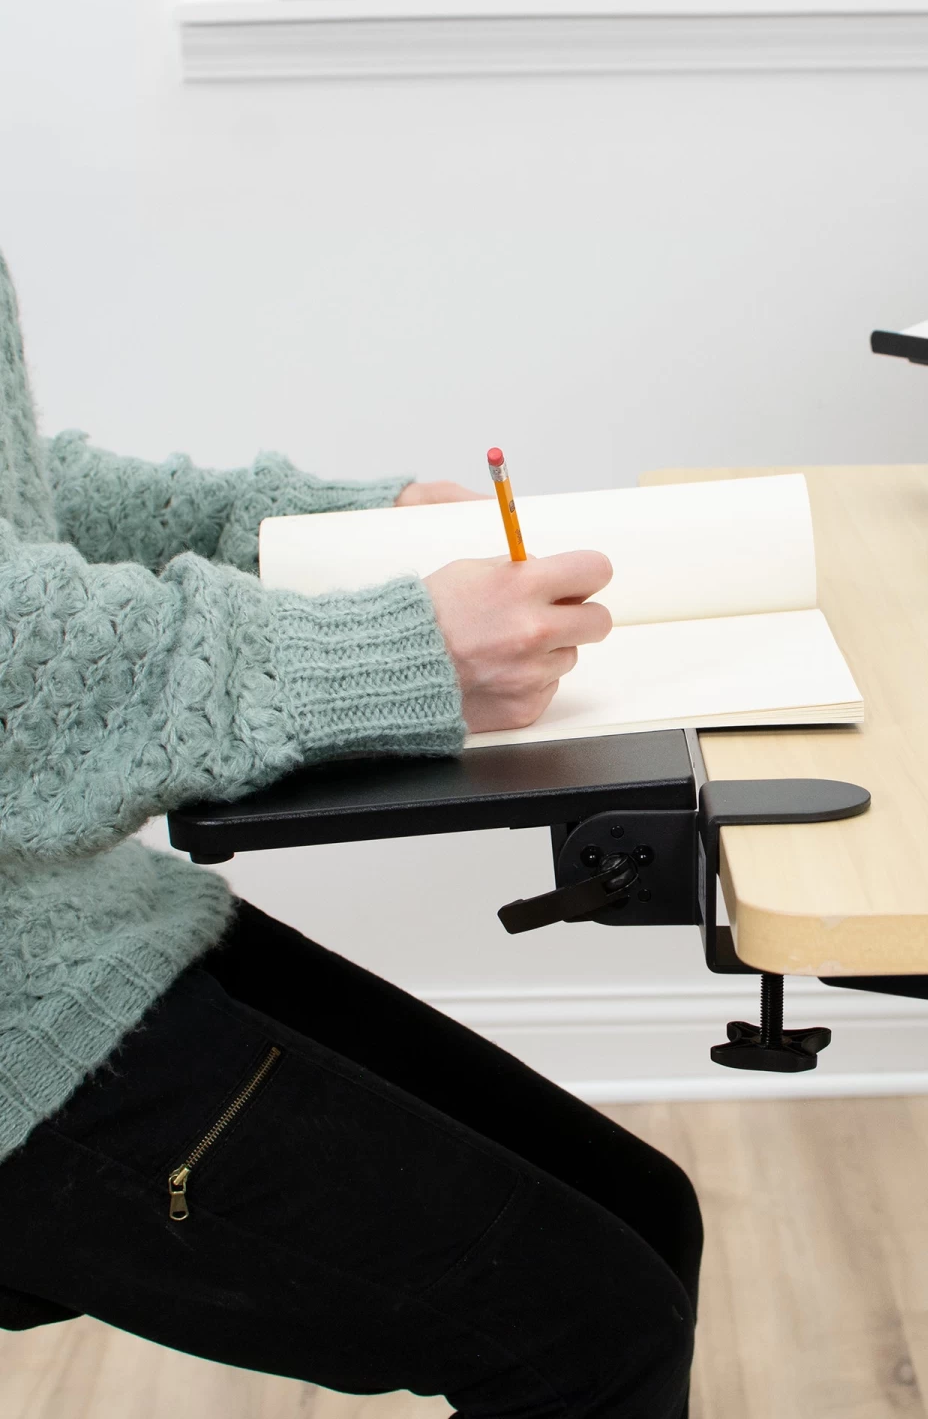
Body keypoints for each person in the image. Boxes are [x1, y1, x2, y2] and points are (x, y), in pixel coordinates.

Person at [0, 253, 701, 1418]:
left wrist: (326, 531)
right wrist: (387, 649)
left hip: (66, 921)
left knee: (644, 1218)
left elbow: (24, 499)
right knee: (595, 1332)